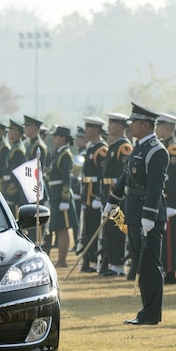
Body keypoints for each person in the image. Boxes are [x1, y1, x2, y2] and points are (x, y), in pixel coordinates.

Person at [105, 103, 169, 326]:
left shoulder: (156, 150)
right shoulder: (139, 147)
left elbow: (155, 186)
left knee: (150, 265)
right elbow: (126, 177)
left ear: (145, 124)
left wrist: (149, 216)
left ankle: (151, 314)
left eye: (134, 122)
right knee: (140, 264)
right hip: (133, 212)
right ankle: (145, 311)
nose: (131, 126)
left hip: (146, 215)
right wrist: (112, 201)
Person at [99, 113, 132, 277]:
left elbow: (123, 174)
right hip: (108, 191)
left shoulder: (124, 146)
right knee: (109, 230)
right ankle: (112, 263)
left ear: (120, 126)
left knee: (116, 228)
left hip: (116, 193)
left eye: (112, 124)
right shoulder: (114, 145)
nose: (109, 126)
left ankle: (118, 265)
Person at [155, 113, 176, 285]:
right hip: (162, 199)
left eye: (159, 126)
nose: (156, 129)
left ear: (167, 128)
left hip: (169, 199)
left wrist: (171, 200)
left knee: (170, 239)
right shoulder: (164, 146)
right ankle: (164, 269)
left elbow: (173, 178)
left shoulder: (173, 149)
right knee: (163, 238)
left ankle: (171, 272)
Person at [79, 117, 109, 273]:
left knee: (96, 229)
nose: (85, 131)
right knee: (88, 228)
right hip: (88, 195)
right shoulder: (92, 147)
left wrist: (98, 196)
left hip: (95, 195)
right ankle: (89, 260)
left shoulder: (101, 149)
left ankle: (95, 260)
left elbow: (102, 174)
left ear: (96, 130)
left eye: (88, 128)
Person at [47, 126, 76, 267]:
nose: (53, 138)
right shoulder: (58, 153)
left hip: (61, 195)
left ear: (63, 138)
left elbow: (66, 179)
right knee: (58, 227)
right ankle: (60, 259)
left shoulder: (65, 155)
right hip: (55, 193)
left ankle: (62, 260)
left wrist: (65, 199)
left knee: (63, 228)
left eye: (56, 136)